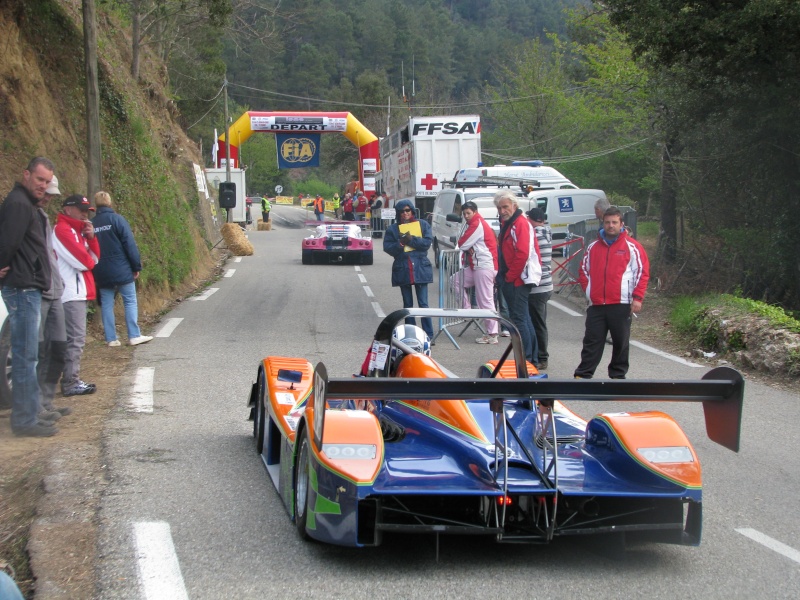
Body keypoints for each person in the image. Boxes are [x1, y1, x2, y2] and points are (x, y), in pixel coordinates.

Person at [0, 157, 57, 436]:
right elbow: (7, 242)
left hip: (28, 286)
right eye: (39, 180)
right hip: (22, 287)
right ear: (26, 175)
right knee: (24, 356)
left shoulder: (24, 204)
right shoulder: (19, 204)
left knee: (28, 355)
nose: (43, 186)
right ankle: (24, 420)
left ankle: (30, 413)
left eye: (47, 182)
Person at [574, 207, 650, 379]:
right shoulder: (593, 246)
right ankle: (583, 375)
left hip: (621, 303)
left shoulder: (632, 247)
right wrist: (589, 291)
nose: (610, 226)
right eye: (607, 222)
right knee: (592, 341)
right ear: (603, 223)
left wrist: (637, 298)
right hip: (597, 304)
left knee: (620, 341)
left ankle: (617, 376)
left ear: (621, 224)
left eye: (614, 222)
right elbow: (583, 271)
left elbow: (642, 273)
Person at [91, 191, 153, 347]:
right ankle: (133, 335)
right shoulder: (117, 220)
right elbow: (129, 244)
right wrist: (136, 266)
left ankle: (111, 338)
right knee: (130, 300)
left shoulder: (91, 224)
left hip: (100, 269)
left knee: (106, 303)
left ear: (96, 205)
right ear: (110, 203)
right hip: (122, 269)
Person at [53, 194, 99, 397]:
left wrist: (91, 237)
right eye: (81, 210)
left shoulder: (77, 231)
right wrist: (86, 249)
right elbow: (85, 262)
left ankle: (71, 379)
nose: (84, 214)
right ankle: (70, 381)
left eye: (87, 211)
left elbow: (95, 259)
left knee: (73, 339)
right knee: (75, 339)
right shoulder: (63, 230)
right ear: (67, 209)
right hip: (69, 293)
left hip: (75, 292)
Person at [37, 175, 72, 418]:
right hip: (37, 290)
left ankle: (46, 400)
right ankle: (34, 405)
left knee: (58, 347)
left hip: (54, 289)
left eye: (52, 194)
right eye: (47, 192)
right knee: (37, 350)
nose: (49, 197)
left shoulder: (42, 216)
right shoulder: (22, 210)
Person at [494, 189, 540, 364]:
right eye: (499, 208)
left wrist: (510, 277)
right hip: (515, 277)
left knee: (519, 320)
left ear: (514, 205)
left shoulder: (519, 223)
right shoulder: (510, 223)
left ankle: (526, 360)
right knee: (524, 318)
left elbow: (522, 253)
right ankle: (531, 358)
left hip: (519, 278)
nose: (502, 211)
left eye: (505, 207)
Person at [383, 199, 434, 339]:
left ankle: (428, 334)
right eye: (402, 211)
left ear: (412, 210)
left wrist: (411, 240)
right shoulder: (393, 229)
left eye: (407, 210)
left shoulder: (422, 224)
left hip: (420, 268)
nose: (405, 213)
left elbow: (427, 243)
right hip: (403, 268)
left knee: (423, 304)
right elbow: (388, 248)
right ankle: (411, 335)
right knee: (408, 305)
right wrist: (400, 243)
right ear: (398, 213)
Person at [451, 201, 499, 344]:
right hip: (477, 266)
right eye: (464, 213)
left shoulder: (477, 223)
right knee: (456, 280)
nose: (466, 216)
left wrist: (467, 247)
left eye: (468, 213)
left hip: (484, 266)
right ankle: (467, 311)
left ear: (475, 212)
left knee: (485, 300)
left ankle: (492, 333)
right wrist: (467, 247)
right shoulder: (475, 223)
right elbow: (464, 244)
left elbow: (462, 243)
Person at [527, 208, 552, 370]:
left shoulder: (536, 235)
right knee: (538, 321)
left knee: (538, 323)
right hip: (545, 284)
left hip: (538, 285)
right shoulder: (546, 232)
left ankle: (542, 356)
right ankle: (539, 354)